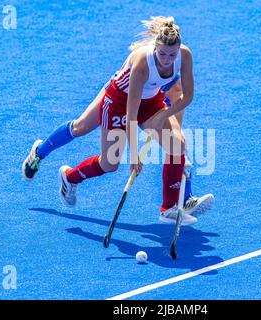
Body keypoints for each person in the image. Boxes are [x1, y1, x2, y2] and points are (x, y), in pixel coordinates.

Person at [23, 16, 214, 223]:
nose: (167, 59)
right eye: (162, 54)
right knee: (100, 153)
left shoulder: (183, 56)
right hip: (117, 101)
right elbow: (131, 115)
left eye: (171, 54)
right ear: (155, 48)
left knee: (177, 145)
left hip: (150, 101)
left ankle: (169, 209)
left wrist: (165, 118)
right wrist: (134, 156)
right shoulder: (142, 64)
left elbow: (187, 96)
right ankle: (61, 170)